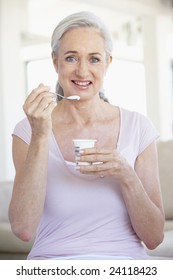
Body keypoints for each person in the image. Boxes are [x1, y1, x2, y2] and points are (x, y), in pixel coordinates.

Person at [9, 11, 165, 260]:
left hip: (126, 267)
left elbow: (155, 238)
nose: (82, 71)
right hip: (53, 265)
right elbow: (23, 228)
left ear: (108, 63)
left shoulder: (138, 127)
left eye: (94, 59)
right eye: (71, 58)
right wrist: (41, 134)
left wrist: (126, 174)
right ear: (55, 61)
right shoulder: (28, 130)